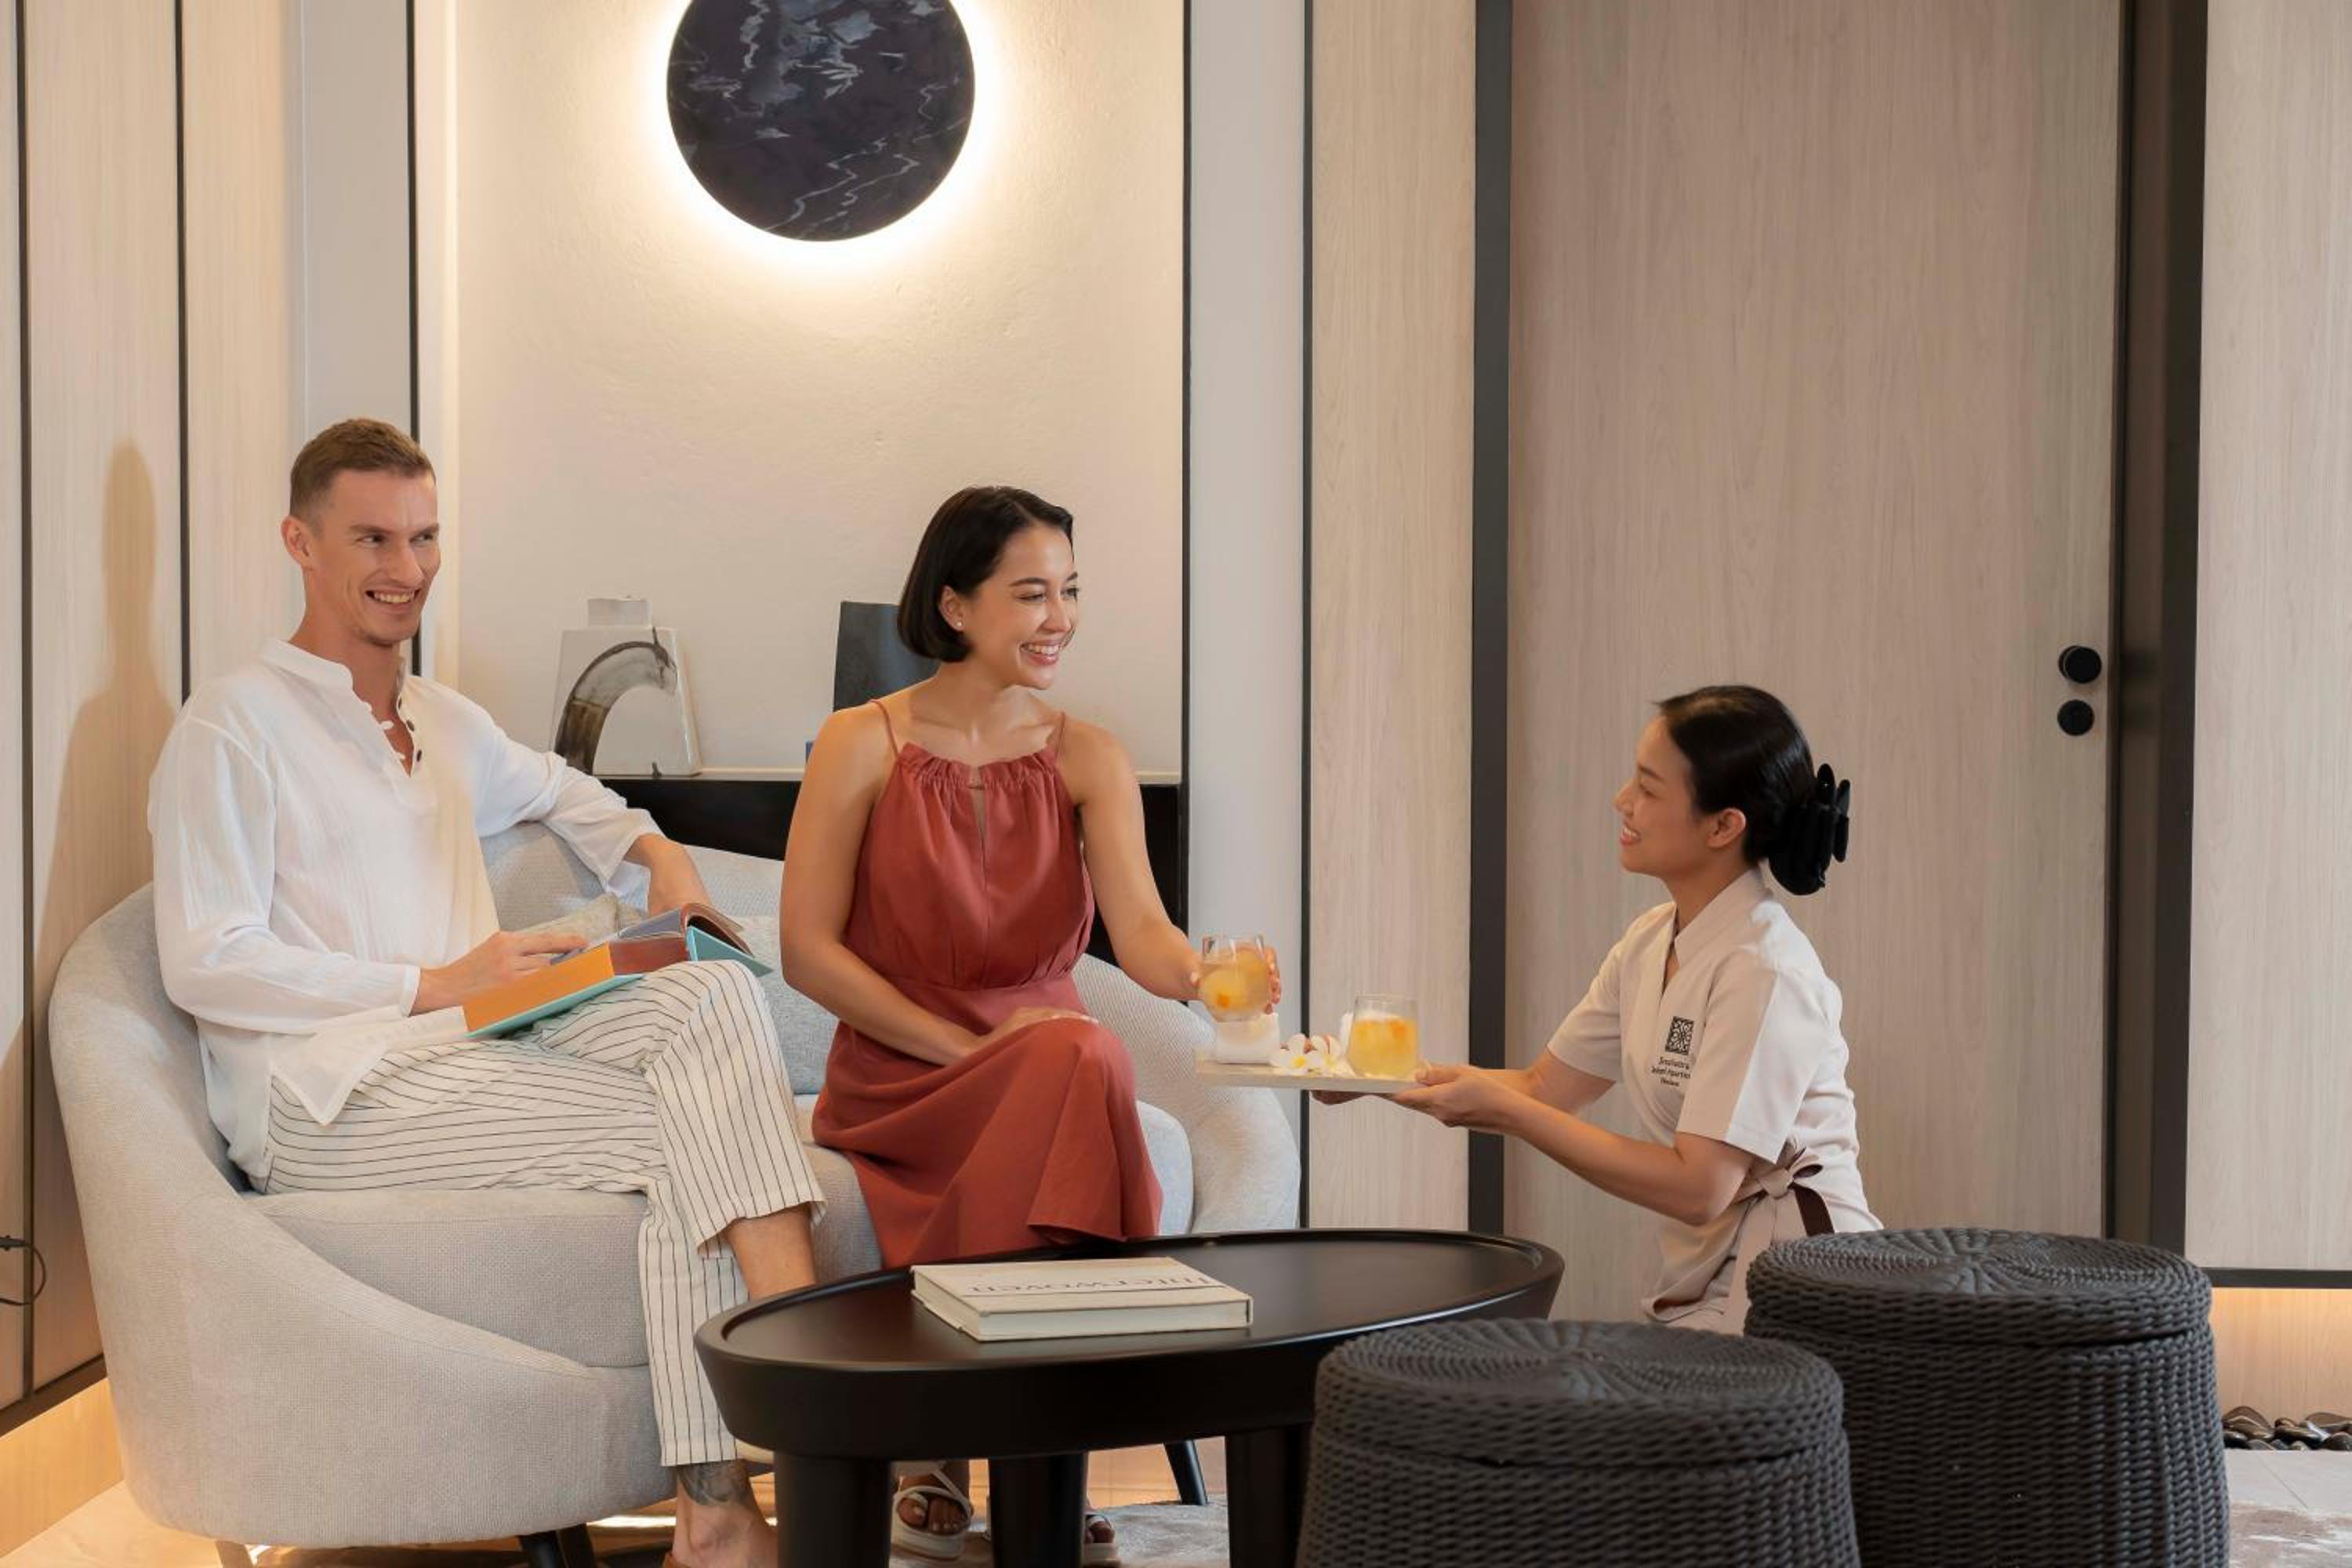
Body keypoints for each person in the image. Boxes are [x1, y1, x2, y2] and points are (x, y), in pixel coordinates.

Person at [150, 419, 821, 1568]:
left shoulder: (442, 720)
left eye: (424, 537)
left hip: (479, 1049)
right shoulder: (231, 725)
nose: (405, 567)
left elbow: (578, 799)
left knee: (714, 998)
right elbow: (205, 957)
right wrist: (434, 984)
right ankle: (783, 1467)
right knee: (693, 1131)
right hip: (328, 1098)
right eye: (372, 537)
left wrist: (667, 868)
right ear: (299, 543)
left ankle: (732, 1510)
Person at [782, 485, 1275, 1565]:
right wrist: (969, 1050)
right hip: (907, 1074)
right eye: (1032, 594)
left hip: (1052, 1068)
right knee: (1076, 1060)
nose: (1061, 618)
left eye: (1071, 592)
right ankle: (1043, 1468)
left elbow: (1142, 936)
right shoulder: (859, 743)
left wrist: (1208, 975)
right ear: (955, 605)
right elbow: (808, 950)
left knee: (1075, 1056)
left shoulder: (1091, 755)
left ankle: (975, 1457)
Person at [1375, 686, 1878, 1331]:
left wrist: (1515, 1116)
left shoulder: (1766, 970)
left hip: (1803, 1279)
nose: (1622, 801)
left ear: (1723, 826)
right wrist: (1368, 1078)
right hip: (1715, 1266)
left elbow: (1698, 1189)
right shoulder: (1649, 941)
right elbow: (1543, 1088)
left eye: (1648, 787)